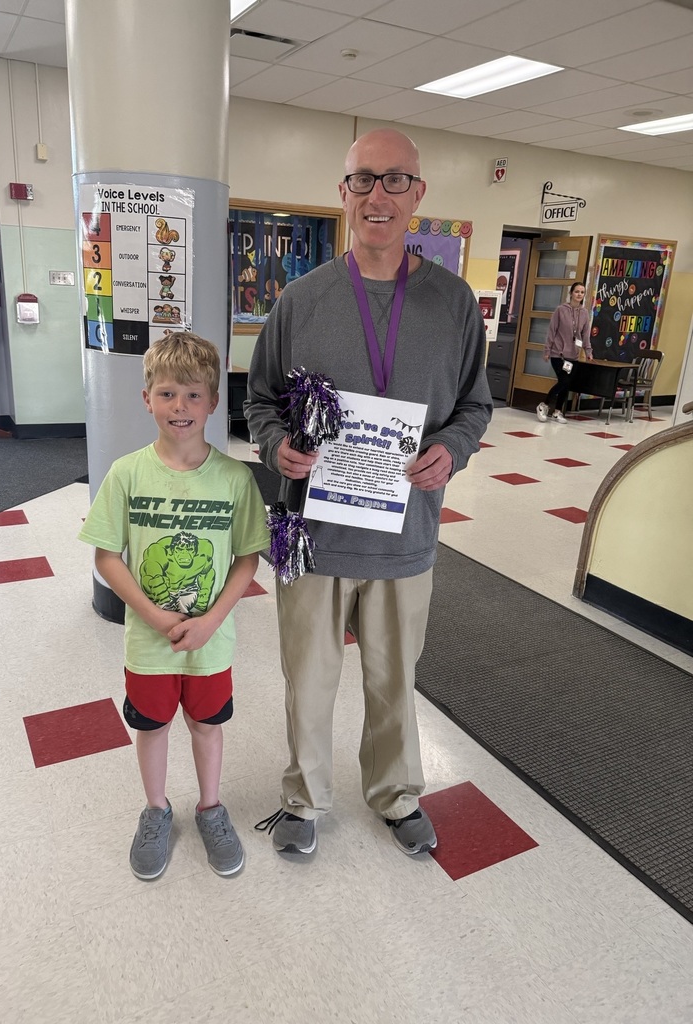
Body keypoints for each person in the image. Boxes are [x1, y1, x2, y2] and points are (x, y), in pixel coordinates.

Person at [245, 128, 493, 857]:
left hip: (404, 536)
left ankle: (395, 793)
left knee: (393, 680)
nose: (377, 195)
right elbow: (259, 401)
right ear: (342, 193)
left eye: (394, 181)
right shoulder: (301, 300)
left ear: (419, 195)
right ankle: (304, 798)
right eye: (362, 180)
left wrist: (452, 449)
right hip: (314, 536)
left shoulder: (453, 306)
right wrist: (274, 446)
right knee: (309, 681)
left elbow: (475, 407)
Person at [79, 332, 270, 880]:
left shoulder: (235, 479)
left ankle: (211, 807)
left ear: (213, 401)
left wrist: (211, 621)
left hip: (212, 644)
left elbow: (247, 560)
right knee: (154, 725)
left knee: (207, 725)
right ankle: (156, 809)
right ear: (146, 399)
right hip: (149, 641)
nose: (179, 407)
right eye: (166, 394)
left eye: (192, 395)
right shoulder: (127, 473)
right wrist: (154, 614)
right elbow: (107, 558)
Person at [537, 281, 593, 423]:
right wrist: (547, 350)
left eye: (582, 292)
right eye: (577, 291)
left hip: (573, 355)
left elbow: (585, 335)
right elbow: (552, 330)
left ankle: (557, 412)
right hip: (558, 354)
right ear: (571, 293)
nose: (579, 294)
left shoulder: (585, 313)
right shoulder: (560, 310)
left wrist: (588, 351)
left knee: (566, 384)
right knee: (563, 380)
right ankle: (543, 405)